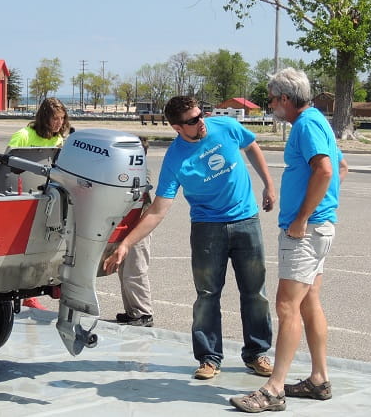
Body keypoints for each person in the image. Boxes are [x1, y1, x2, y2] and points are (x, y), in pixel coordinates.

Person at [104, 95, 277, 380]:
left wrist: (268, 185)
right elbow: (159, 209)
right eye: (193, 120)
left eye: (202, 115)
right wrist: (125, 244)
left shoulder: (225, 126)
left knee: (254, 292)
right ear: (177, 127)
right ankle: (209, 357)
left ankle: (257, 353)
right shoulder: (175, 158)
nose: (202, 123)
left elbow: (251, 145)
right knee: (207, 295)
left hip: (246, 221)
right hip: (208, 229)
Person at [230, 68, 348, 413]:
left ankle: (273, 389)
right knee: (310, 301)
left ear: (284, 98)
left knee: (286, 306)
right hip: (321, 227)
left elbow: (327, 170)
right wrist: (322, 207)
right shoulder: (318, 121)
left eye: (271, 100)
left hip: (307, 232)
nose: (270, 106)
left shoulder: (307, 125)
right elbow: (342, 168)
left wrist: (302, 218)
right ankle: (319, 379)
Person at [8, 97, 70, 310]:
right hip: (22, 198)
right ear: (45, 118)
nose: (59, 123)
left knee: (39, 248)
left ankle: (30, 294)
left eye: (62, 119)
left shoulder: (58, 141)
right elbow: (7, 168)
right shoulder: (23, 136)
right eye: (55, 118)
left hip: (45, 198)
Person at [103, 136, 154, 327]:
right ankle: (132, 311)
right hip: (127, 227)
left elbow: (140, 188)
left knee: (135, 271)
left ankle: (144, 313)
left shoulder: (142, 172)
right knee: (125, 271)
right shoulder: (126, 170)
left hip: (139, 227)